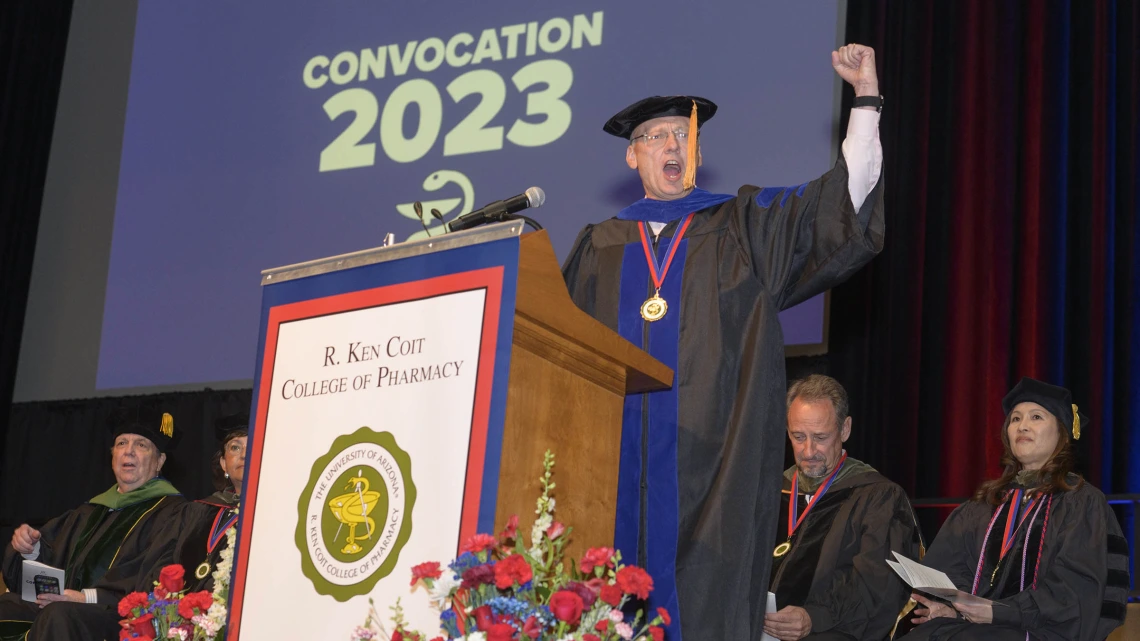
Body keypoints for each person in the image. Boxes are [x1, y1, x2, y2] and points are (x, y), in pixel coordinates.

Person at [561, 44, 884, 641]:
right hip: (608, 473)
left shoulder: (741, 226)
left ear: (699, 153)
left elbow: (842, 203)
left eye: (682, 137)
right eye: (656, 137)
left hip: (715, 473)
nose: (672, 147)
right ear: (634, 156)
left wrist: (865, 99)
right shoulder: (596, 245)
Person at [898, 377, 1129, 641]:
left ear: (1062, 434)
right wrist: (951, 608)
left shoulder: (1081, 503)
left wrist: (999, 612)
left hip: (1045, 632)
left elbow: (1074, 592)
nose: (1023, 426)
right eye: (1016, 419)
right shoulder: (985, 504)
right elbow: (952, 571)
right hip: (983, 629)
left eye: (1036, 417)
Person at [0, 404, 185, 641]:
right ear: (112, 456)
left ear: (159, 461)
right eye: (121, 443)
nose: (128, 451)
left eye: (141, 445)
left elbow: (153, 580)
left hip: (119, 619)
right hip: (61, 607)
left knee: (59, 615)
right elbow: (51, 562)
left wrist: (84, 597)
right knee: (6, 607)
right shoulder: (88, 512)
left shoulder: (172, 514)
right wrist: (29, 549)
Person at [764, 375, 922, 641]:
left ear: (845, 429)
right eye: (798, 436)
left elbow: (878, 585)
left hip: (831, 631)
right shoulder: (770, 490)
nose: (808, 450)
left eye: (821, 437)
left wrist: (814, 616)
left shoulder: (877, 497)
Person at [140, 413, 246, 593]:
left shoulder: (274, 513)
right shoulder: (195, 512)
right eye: (235, 448)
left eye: (253, 447)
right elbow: (161, 569)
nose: (243, 455)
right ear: (223, 463)